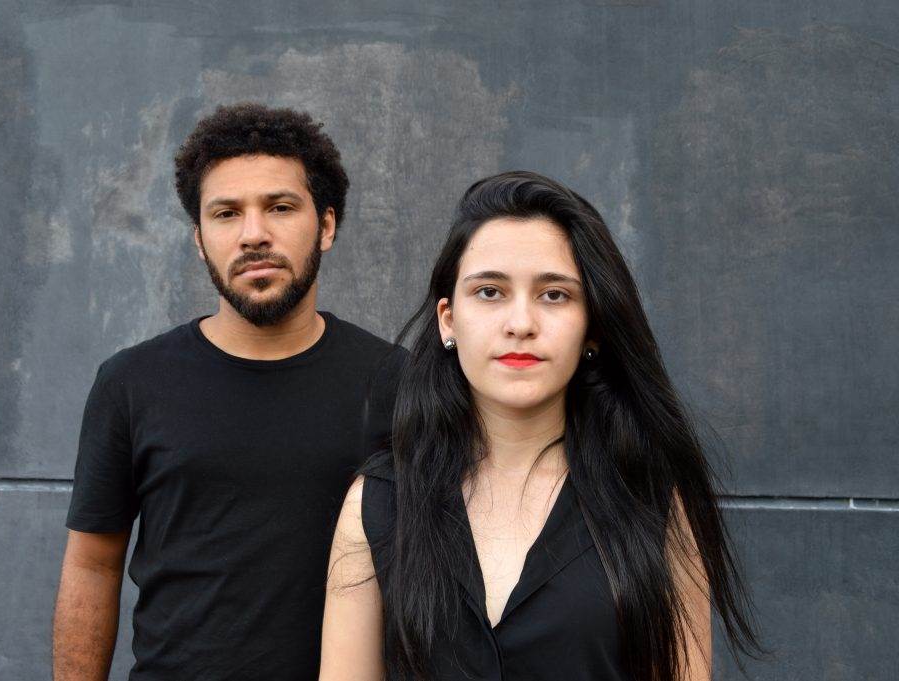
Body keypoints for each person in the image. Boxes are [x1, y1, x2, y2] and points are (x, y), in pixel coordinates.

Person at [319, 171, 764, 680]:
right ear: (448, 320)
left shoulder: (650, 498)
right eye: (490, 292)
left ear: (592, 326)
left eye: (554, 295)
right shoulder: (379, 502)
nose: (521, 324)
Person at [53, 102, 405, 680]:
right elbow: (93, 565)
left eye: (280, 207)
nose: (253, 235)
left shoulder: (396, 383)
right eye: (226, 213)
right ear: (199, 239)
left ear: (326, 226)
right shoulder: (132, 383)